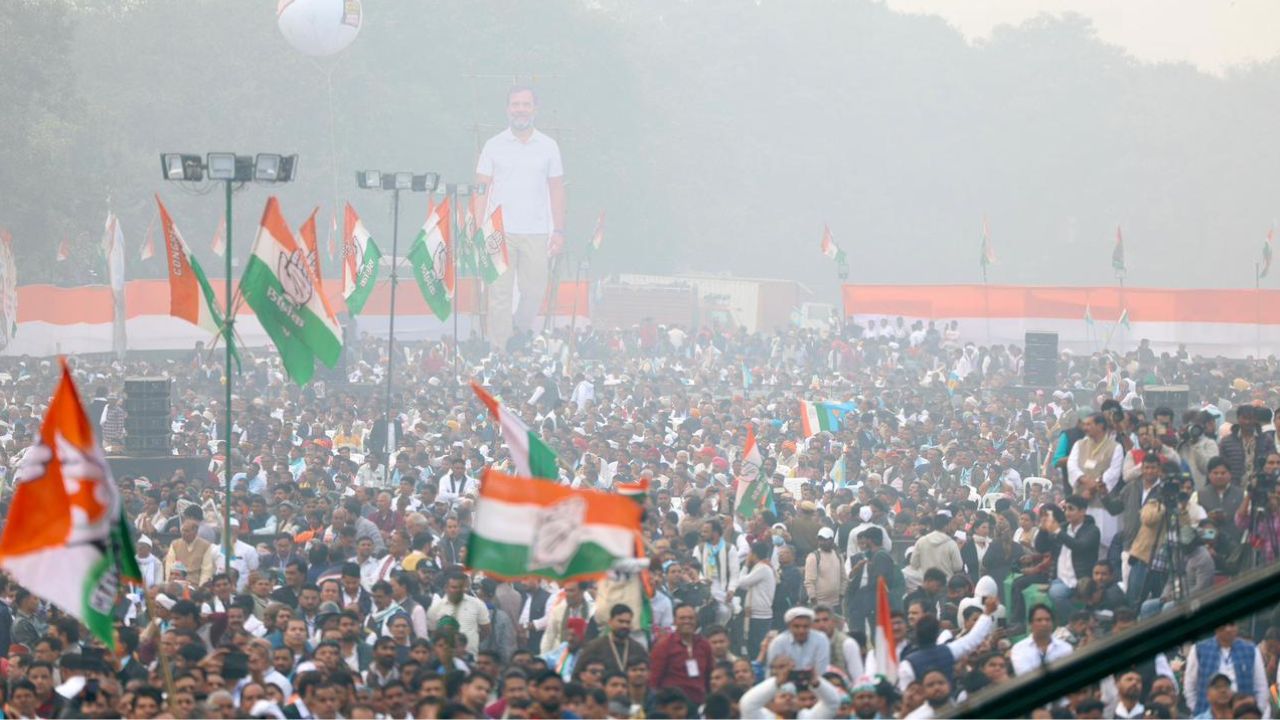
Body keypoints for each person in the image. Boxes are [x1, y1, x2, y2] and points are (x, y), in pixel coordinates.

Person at [476, 85, 567, 351]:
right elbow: (481, 188)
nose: (520, 109)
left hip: (537, 230)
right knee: (499, 294)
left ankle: (520, 329)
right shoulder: (493, 145)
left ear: (535, 109)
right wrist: (477, 229)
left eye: (526, 105)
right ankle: (500, 349)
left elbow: (557, 189)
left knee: (535, 290)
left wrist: (559, 230)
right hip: (498, 231)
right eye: (516, 104)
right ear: (507, 109)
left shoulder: (549, 146)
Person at [1184, 622, 1269, 717]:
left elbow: (1261, 688)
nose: (1228, 629)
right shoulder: (1198, 650)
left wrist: (1255, 715)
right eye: (1223, 625)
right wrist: (1199, 712)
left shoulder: (1251, 650)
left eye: (1232, 625)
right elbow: (1190, 687)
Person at [648, 604, 714, 705]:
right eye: (682, 618)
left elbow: (709, 676)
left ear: (696, 620)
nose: (687, 621)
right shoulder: (663, 646)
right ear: (674, 621)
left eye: (691, 618)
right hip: (672, 706)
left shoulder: (704, 645)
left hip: (699, 704)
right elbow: (654, 679)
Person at [1010, 604, 1073, 675]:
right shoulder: (1019, 649)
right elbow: (1025, 677)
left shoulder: (1066, 648)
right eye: (1039, 620)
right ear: (1030, 624)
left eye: (1048, 619)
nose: (1044, 623)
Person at [766, 607, 831, 673]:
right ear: (789, 626)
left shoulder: (821, 639)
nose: (801, 631)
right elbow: (772, 672)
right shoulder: (778, 642)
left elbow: (821, 671)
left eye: (805, 626)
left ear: (811, 626)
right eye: (796, 626)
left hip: (814, 681)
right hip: (784, 681)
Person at [803, 526, 845, 609]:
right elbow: (809, 582)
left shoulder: (838, 556)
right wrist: (814, 602)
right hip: (818, 604)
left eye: (825, 540)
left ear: (832, 540)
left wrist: (841, 596)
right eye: (820, 539)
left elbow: (844, 578)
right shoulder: (813, 557)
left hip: (835, 604)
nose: (822, 542)